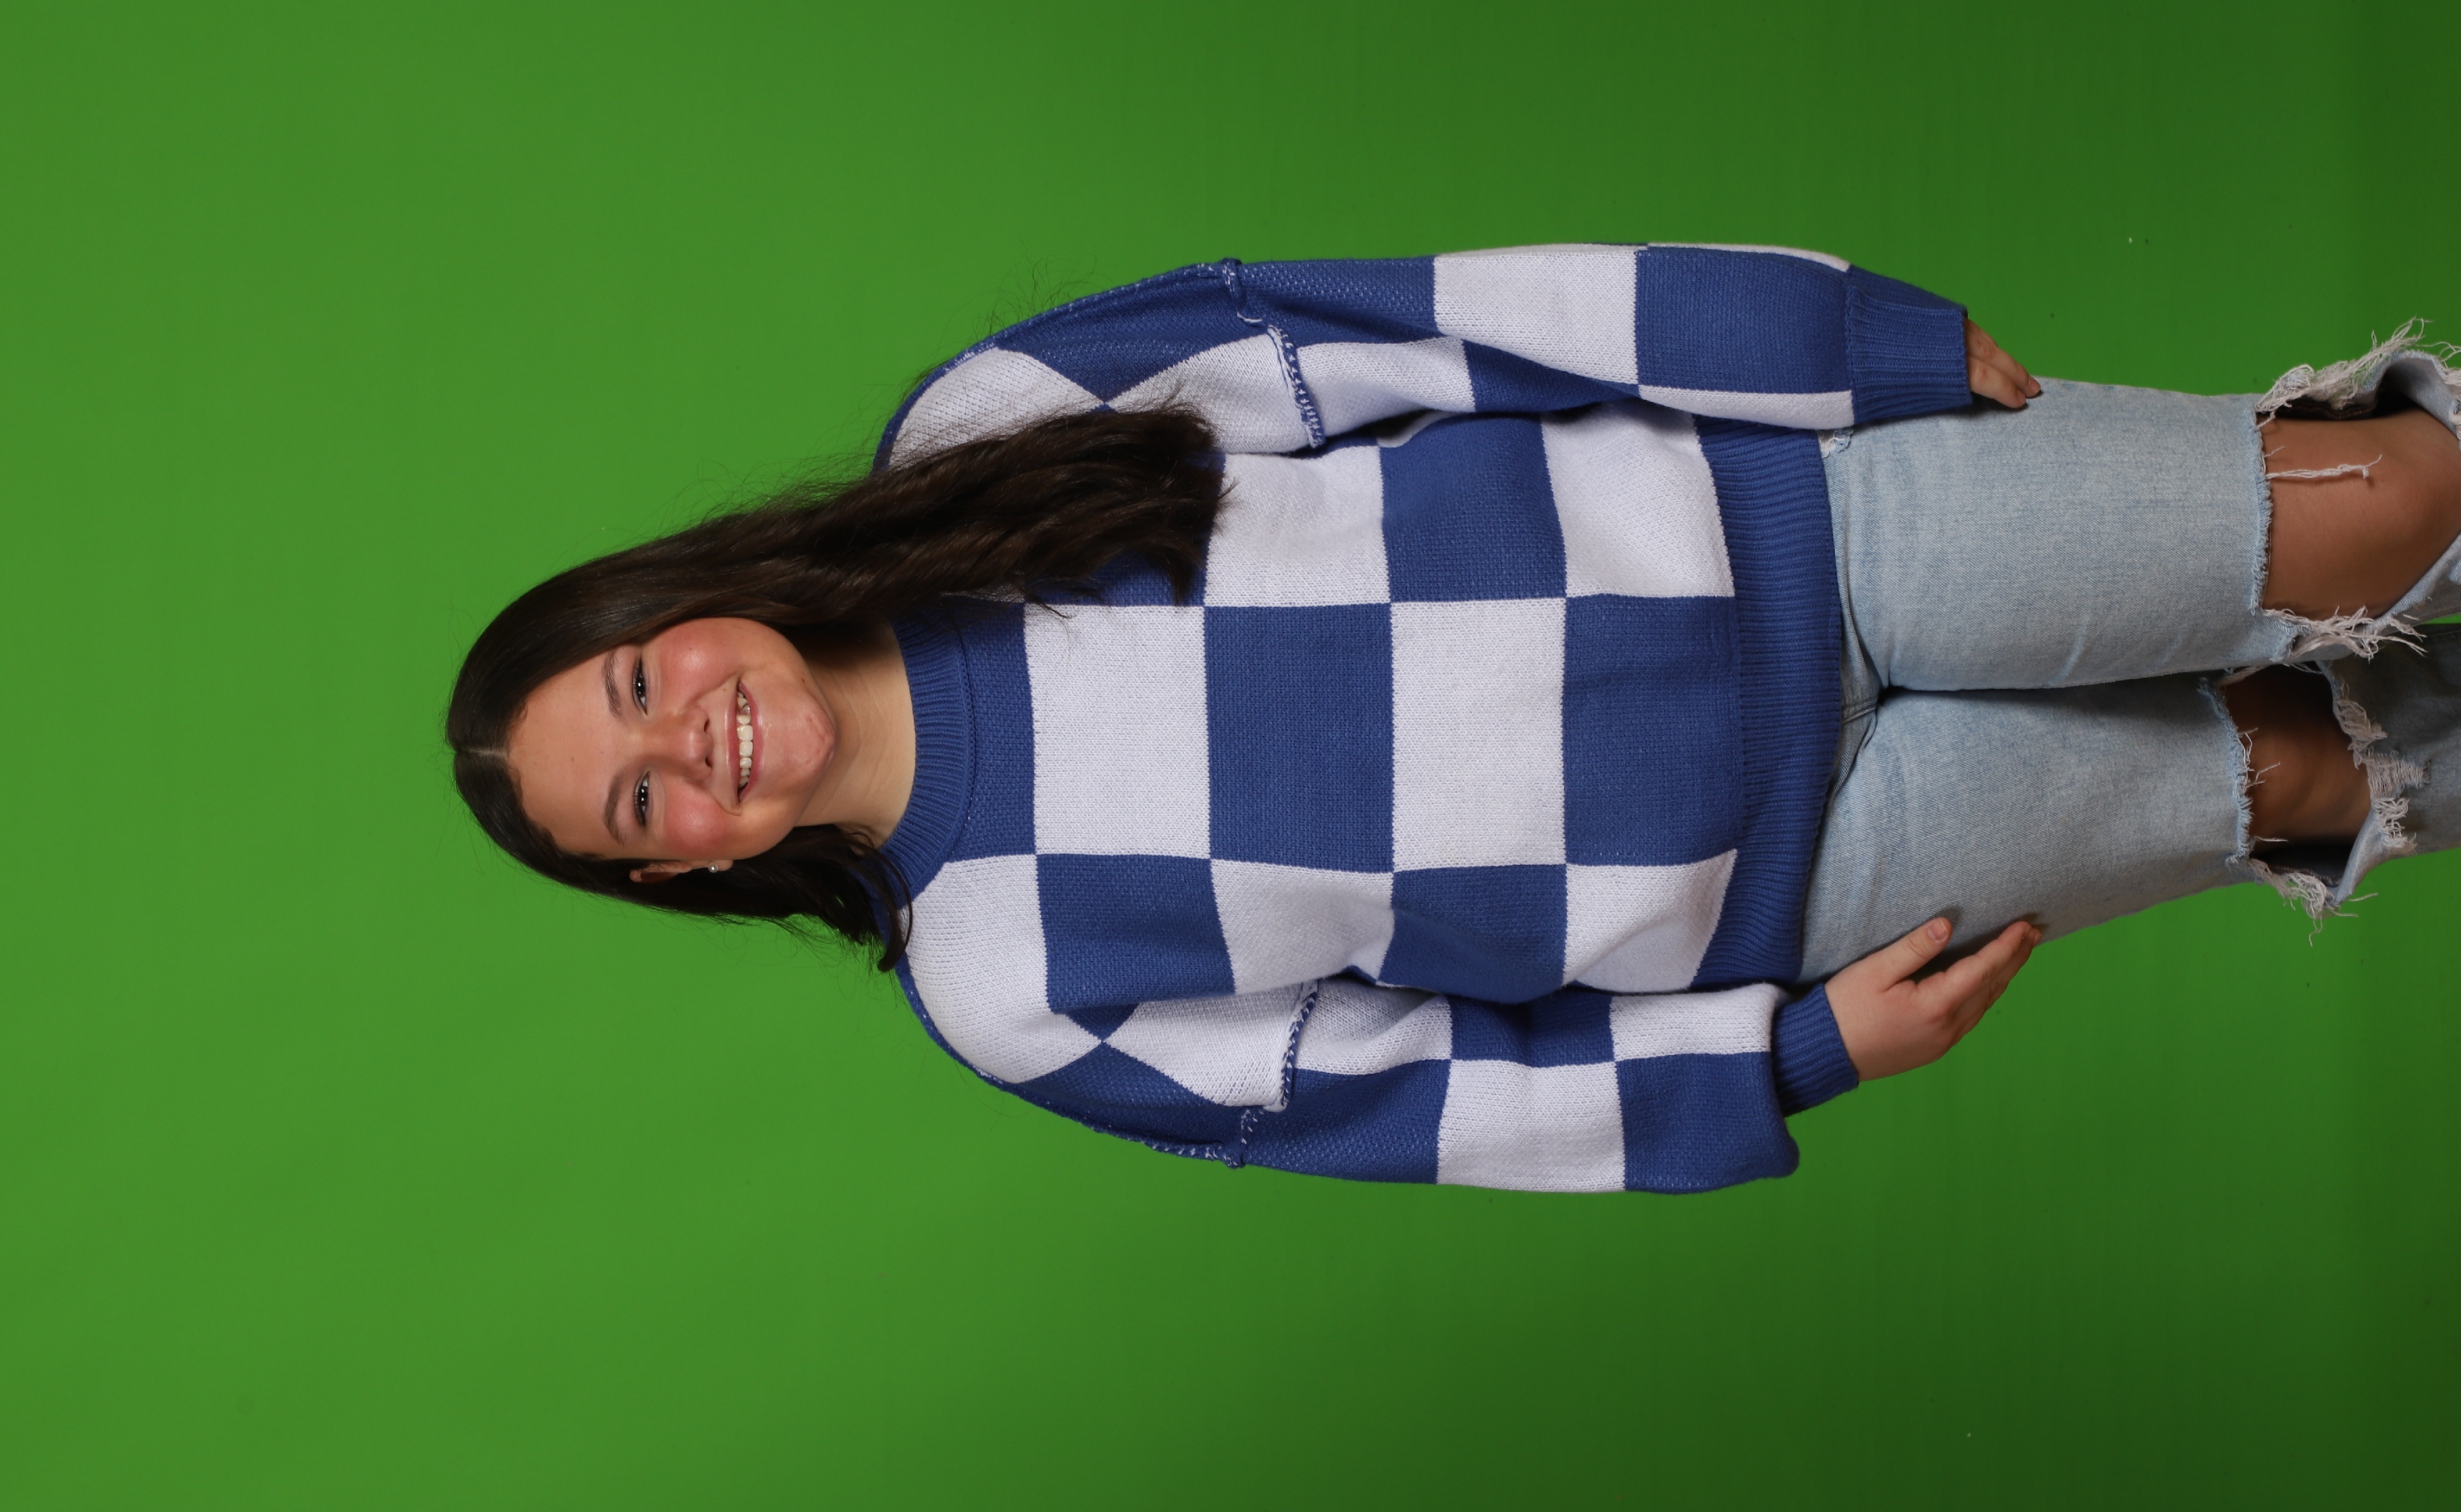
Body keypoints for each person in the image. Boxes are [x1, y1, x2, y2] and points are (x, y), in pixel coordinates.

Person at [449, 245, 2461, 1193]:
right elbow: (1413, 1104)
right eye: (639, 808)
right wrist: (1782, 1064)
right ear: (688, 870)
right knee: (2300, 763)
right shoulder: (1003, 991)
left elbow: (1422, 322)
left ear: (678, 601)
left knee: (2390, 504)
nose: (687, 746)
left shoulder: (990, 425)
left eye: (637, 685)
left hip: (1807, 527)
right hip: (1812, 878)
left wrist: (1826, 337)